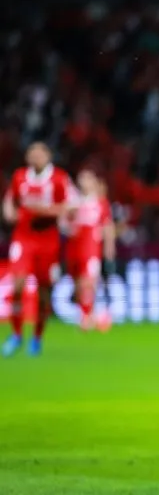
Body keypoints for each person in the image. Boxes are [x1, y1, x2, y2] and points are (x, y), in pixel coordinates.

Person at [2, 142, 74, 357]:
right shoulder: (20, 177)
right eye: (32, 153)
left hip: (48, 240)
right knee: (18, 284)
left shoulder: (59, 178)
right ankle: (16, 335)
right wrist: (8, 212)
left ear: (48, 156)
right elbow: (10, 200)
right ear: (27, 157)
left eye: (40, 153)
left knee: (44, 293)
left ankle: (37, 337)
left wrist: (44, 211)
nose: (36, 157)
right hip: (24, 237)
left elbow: (70, 206)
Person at [64, 169, 115, 332]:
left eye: (87, 178)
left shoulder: (100, 203)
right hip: (74, 247)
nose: (84, 182)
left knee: (89, 281)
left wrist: (109, 247)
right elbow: (65, 225)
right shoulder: (73, 202)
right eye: (82, 178)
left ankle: (87, 318)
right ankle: (89, 314)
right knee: (78, 284)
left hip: (91, 247)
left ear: (94, 182)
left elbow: (107, 226)